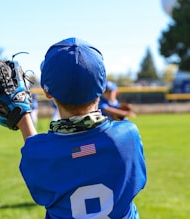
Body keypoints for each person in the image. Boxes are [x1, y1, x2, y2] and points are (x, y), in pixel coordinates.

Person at [17, 37, 147, 219]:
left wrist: (23, 118)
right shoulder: (128, 136)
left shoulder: (37, 151)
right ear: (102, 88)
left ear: (47, 91)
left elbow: (45, 155)